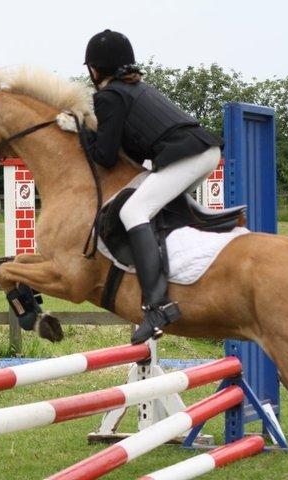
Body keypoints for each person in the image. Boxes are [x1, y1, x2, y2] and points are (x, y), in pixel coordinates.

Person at [84, 29, 223, 344]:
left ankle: (157, 306)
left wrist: (82, 131)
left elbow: (105, 157)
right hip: (201, 150)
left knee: (134, 211)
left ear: (95, 68)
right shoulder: (135, 88)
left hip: (188, 155)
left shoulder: (109, 96)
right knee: (152, 205)